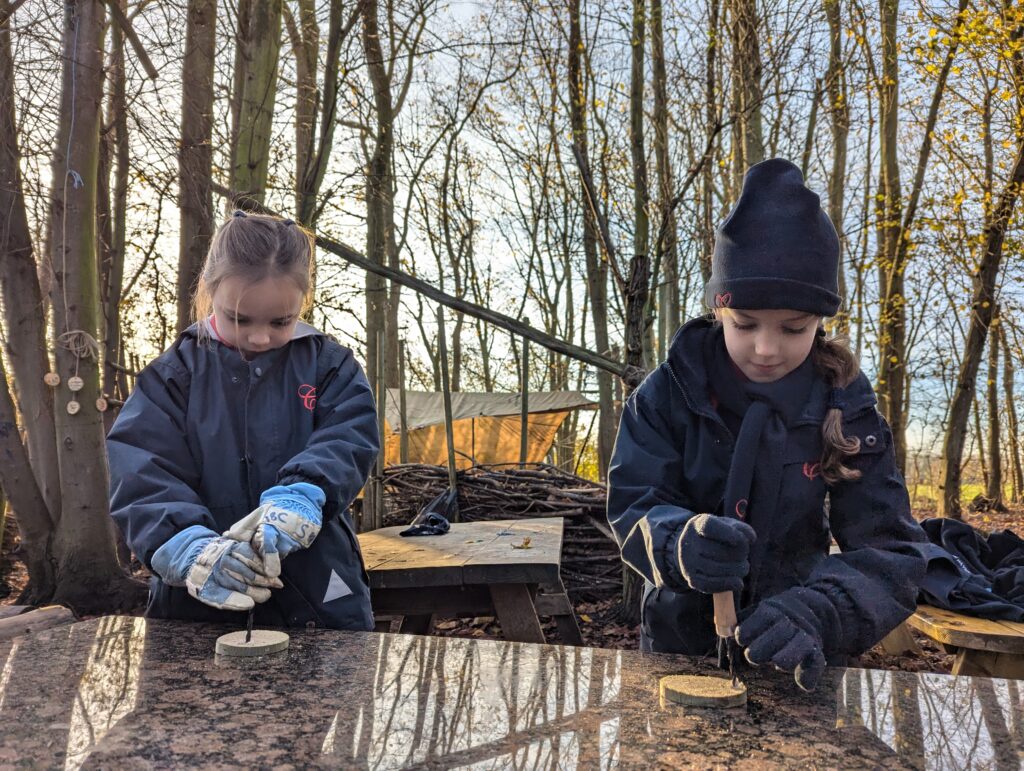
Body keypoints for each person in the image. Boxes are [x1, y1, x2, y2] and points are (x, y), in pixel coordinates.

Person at [607, 159, 927, 690]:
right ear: (718, 310)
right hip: (675, 653)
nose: (765, 349)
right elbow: (632, 506)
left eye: (793, 328)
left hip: (798, 653)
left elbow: (893, 554)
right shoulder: (664, 396)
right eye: (745, 323)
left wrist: (819, 612)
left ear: (822, 321)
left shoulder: (847, 408)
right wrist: (677, 544)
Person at [108, 211, 380, 629]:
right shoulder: (171, 377)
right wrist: (184, 544)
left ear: (302, 303)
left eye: (279, 321)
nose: (259, 337)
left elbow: (348, 438)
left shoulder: (329, 367)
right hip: (194, 608)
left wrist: (304, 494)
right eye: (239, 318)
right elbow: (141, 470)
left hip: (321, 595)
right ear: (210, 291)